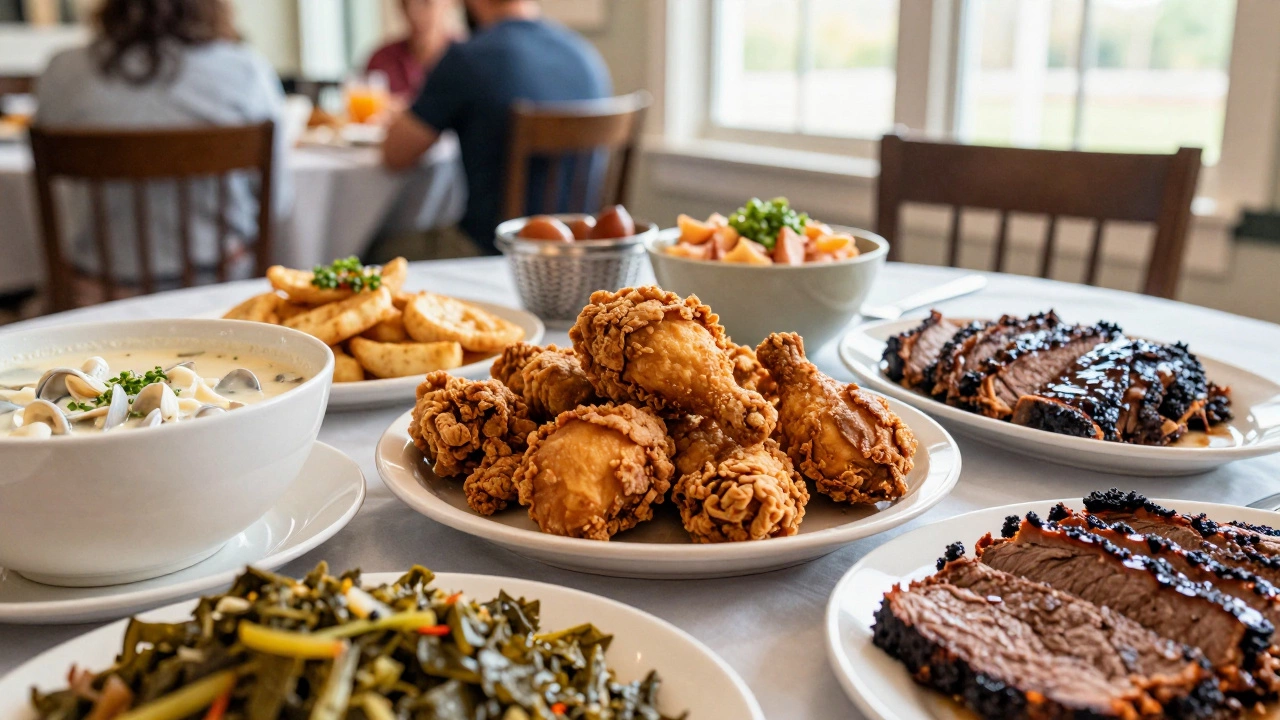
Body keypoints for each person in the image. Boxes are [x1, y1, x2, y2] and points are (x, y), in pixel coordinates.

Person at [34, 0, 289, 286]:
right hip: (217, 284)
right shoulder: (246, 71)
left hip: (94, 287)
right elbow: (277, 202)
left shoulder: (61, 71)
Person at [381, 0, 611, 254]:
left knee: (376, 249)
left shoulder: (466, 58)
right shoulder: (585, 57)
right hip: (580, 254)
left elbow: (395, 155)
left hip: (489, 251)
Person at [365, 0, 458, 100]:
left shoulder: (467, 61)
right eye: (405, 3)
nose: (413, 12)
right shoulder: (382, 61)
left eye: (425, 2)